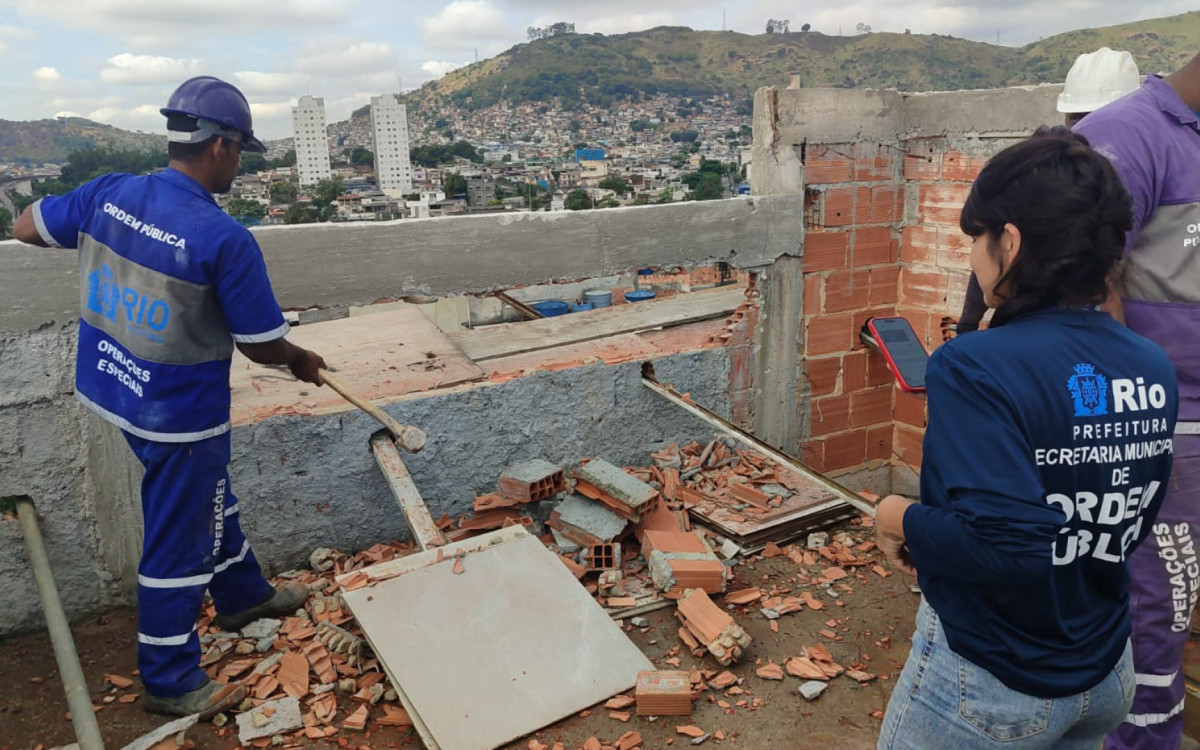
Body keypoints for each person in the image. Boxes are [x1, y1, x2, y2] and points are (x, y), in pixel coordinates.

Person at [13, 76, 326, 718]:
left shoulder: (111, 192)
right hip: (180, 414)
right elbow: (262, 343)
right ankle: (169, 677)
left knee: (205, 499)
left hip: (115, 386)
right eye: (240, 152)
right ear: (220, 146)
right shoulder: (223, 238)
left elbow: (24, 227)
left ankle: (243, 596)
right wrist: (301, 361)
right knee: (180, 537)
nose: (239, 165)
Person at [875, 128, 1177, 749]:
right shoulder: (1151, 363)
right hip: (1104, 668)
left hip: (995, 683)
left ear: (1008, 242)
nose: (973, 261)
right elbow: (1131, 513)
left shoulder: (976, 365)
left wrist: (898, 516)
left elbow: (1007, 546)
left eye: (978, 243)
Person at [1072, 51, 1200, 750]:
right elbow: (1088, 291)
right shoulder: (1130, 138)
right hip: (1165, 428)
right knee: (1158, 608)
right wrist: (1135, 423)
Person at [956, 48, 1141, 336]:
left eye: (1094, 115)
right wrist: (967, 325)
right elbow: (992, 242)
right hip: (1043, 324)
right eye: (1078, 117)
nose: (1087, 126)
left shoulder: (1138, 169)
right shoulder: (1044, 167)